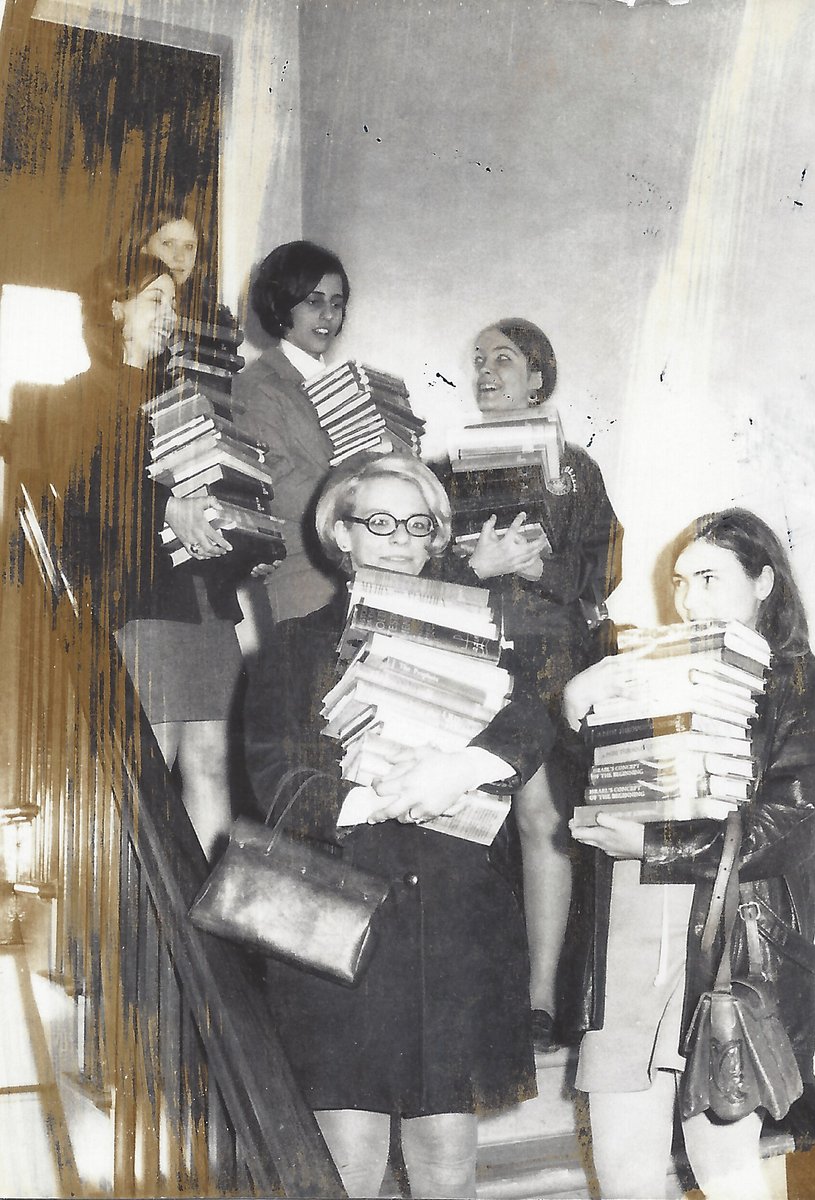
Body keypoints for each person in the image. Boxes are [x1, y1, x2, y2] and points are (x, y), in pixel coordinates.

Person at [243, 454, 554, 1200]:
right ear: (340, 535)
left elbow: (530, 720)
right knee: (345, 1163)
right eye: (378, 523)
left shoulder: (484, 633)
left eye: (417, 527)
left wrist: (461, 768)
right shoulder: (293, 646)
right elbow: (274, 781)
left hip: (449, 924)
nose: (398, 540)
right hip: (342, 919)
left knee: (446, 1158)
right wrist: (377, 795)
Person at [566, 509, 815, 1200]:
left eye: (709, 579)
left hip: (727, 942)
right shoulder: (648, 671)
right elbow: (608, 786)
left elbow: (787, 827)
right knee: (622, 1162)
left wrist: (653, 844)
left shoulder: (803, 687)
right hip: (629, 933)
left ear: (763, 583)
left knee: (725, 1167)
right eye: (679, 581)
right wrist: (576, 705)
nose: (688, 600)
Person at [437, 318, 623, 1048]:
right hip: (463, 648)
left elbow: (600, 569)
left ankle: (540, 999)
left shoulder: (572, 468)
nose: (487, 370)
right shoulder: (442, 468)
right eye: (477, 359)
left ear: (538, 379)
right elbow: (410, 569)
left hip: (544, 655)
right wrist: (469, 565)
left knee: (540, 815)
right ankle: (467, 991)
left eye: (504, 359)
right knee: (457, 815)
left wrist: (532, 567)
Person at [66, 242, 245, 858]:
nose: (170, 312)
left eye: (174, 300)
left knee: (211, 765)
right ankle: (147, 927)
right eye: (155, 298)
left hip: (204, 605)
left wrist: (245, 532)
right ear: (115, 306)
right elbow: (85, 494)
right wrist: (164, 506)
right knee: (151, 769)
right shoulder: (81, 395)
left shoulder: (188, 394)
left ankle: (210, 941)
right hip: (143, 602)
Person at [234, 240, 350, 624]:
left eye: (336, 304)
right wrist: (366, 499)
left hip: (362, 561)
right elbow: (276, 487)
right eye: (313, 302)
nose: (327, 316)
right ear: (283, 305)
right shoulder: (256, 385)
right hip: (305, 571)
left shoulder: (346, 384)